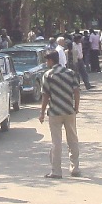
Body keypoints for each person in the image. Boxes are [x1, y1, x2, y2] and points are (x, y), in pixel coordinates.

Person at [38, 50, 81, 178]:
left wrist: (42, 113)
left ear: (51, 61)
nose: (46, 63)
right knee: (72, 139)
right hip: (69, 111)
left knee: (56, 142)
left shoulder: (48, 75)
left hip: (55, 112)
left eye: (47, 60)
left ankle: (56, 171)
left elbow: (45, 95)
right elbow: (76, 91)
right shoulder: (70, 73)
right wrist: (76, 107)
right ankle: (75, 168)